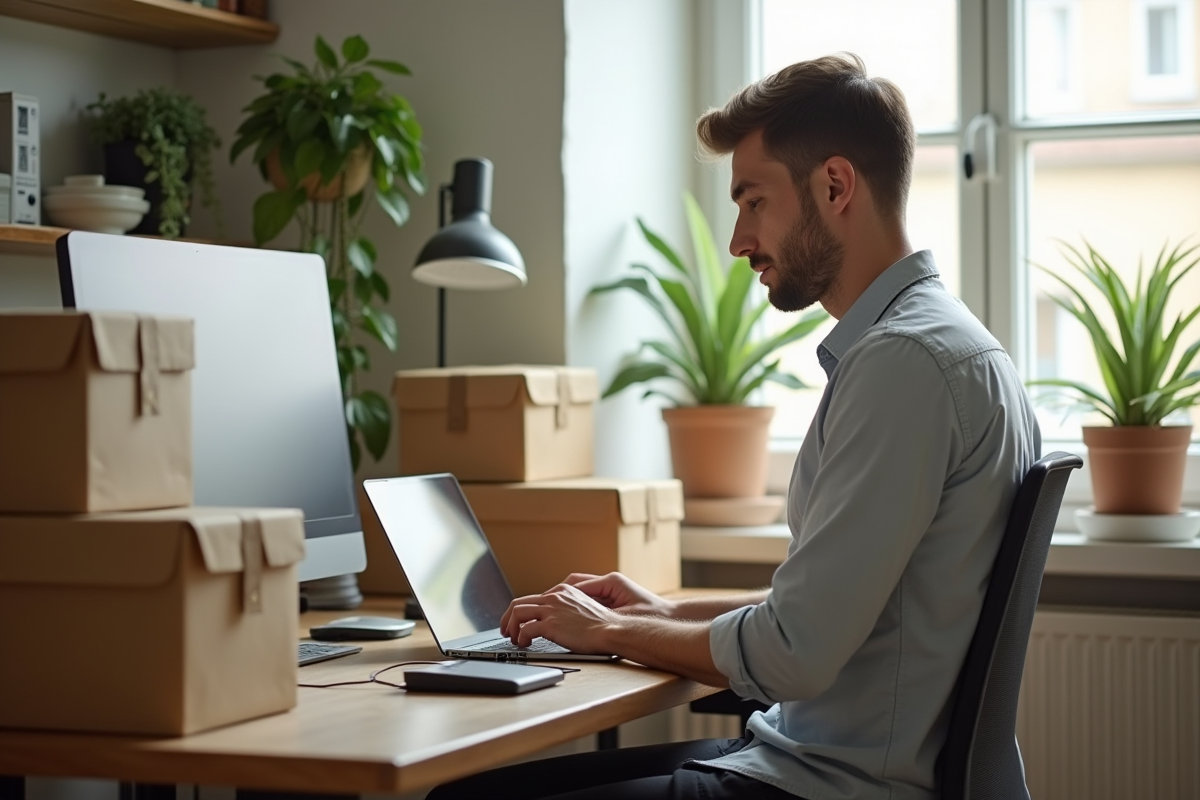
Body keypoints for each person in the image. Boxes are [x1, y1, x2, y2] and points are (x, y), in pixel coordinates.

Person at [426, 53, 1040, 800]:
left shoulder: (903, 363)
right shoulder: (948, 344)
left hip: (826, 786)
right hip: (826, 764)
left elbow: (794, 653)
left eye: (753, 202)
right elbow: (834, 612)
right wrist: (663, 610)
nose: (738, 240)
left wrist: (611, 632)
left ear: (835, 186)